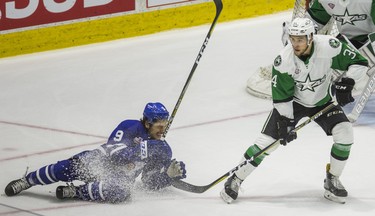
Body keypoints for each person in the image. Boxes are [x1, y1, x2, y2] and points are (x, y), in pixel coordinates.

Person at [221, 18, 368, 204]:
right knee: (267, 143)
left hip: (323, 102)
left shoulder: (329, 47)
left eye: (300, 39)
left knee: (345, 133)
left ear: (310, 37)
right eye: (293, 39)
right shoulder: (284, 61)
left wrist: (348, 82)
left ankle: (333, 179)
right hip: (293, 104)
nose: (296, 44)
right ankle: (236, 178)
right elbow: (282, 97)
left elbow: (360, 63)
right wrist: (286, 122)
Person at [4, 102, 187, 203]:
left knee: (122, 192)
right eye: (159, 126)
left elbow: (148, 182)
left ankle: (75, 192)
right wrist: (145, 148)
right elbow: (115, 155)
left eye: (165, 126)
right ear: (147, 123)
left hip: (118, 178)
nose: (163, 130)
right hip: (98, 163)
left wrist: (168, 176)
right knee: (62, 169)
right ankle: (27, 181)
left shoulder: (163, 150)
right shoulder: (129, 127)